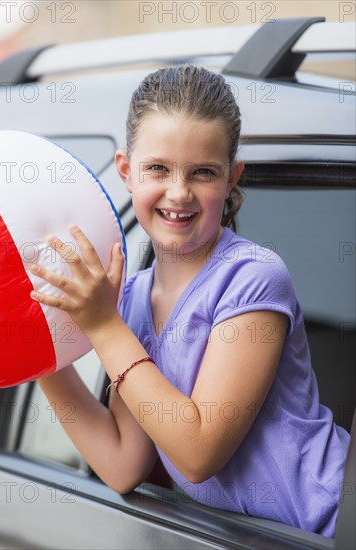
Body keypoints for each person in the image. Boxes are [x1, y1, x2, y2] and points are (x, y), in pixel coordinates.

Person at [29, 66, 350, 538]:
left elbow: (198, 454)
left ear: (231, 177)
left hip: (330, 526)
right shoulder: (131, 299)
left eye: (202, 172)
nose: (178, 192)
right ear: (126, 171)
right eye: (157, 168)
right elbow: (123, 463)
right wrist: (40, 353)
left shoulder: (253, 278)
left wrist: (103, 327)